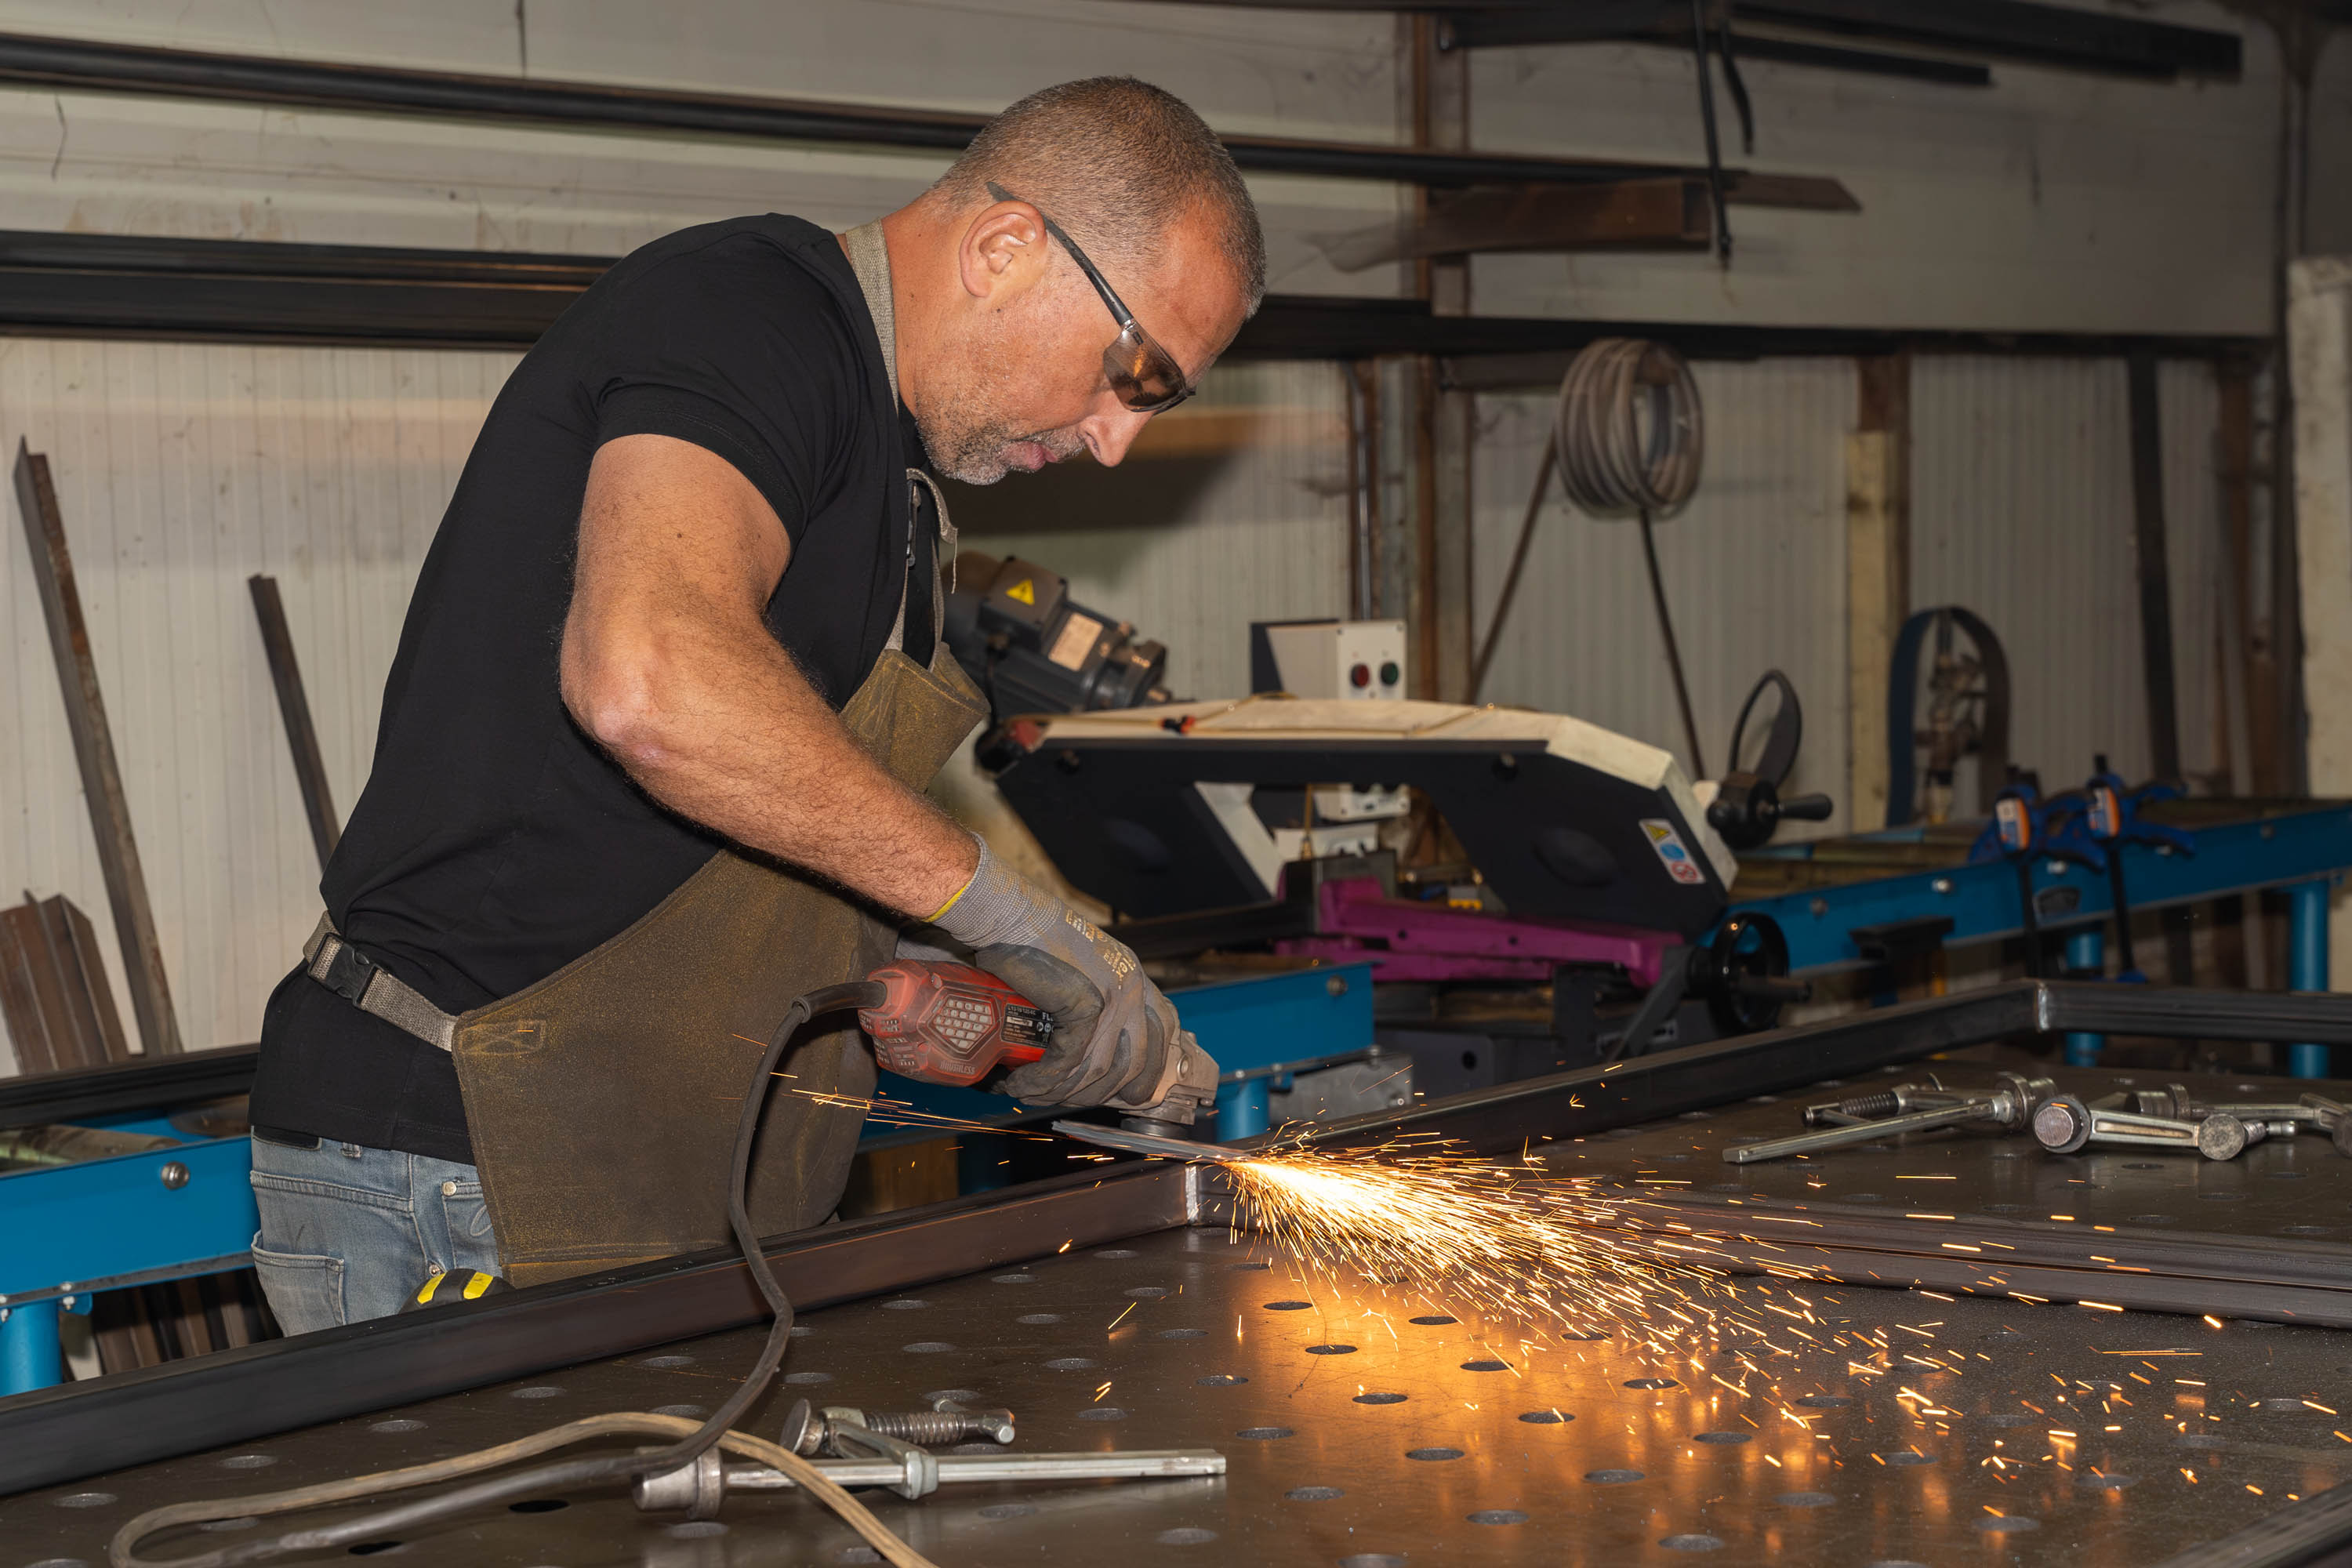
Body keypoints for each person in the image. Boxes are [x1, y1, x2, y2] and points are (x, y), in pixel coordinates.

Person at [241, 77, 1263, 1332]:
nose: (1117, 441)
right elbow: (650, 682)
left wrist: (898, 972)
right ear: (1007, 250)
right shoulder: (745, 318)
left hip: (658, 1177)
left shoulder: (889, 472)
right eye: (1134, 374)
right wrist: (1008, 917)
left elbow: (716, 816)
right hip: (463, 1163)